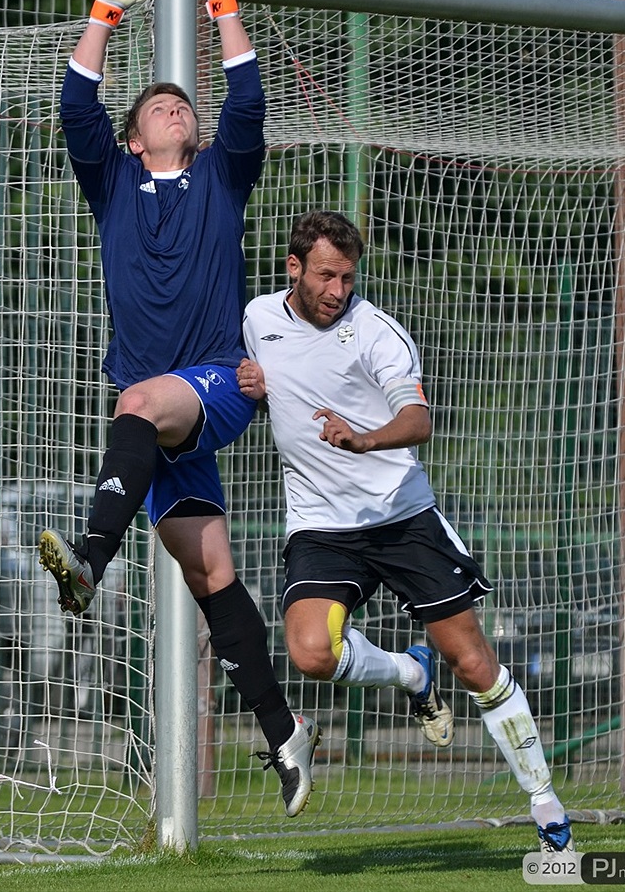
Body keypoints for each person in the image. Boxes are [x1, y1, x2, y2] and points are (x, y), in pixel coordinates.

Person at [38, 0, 319, 818]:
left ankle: (89, 561)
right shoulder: (113, 183)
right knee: (211, 574)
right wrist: (104, 12)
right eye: (158, 106)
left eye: (181, 105)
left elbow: (248, 101)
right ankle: (285, 731)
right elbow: (76, 105)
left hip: (211, 387)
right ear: (131, 140)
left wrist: (224, 4)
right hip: (157, 430)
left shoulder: (222, 177)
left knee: (137, 397)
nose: (174, 108)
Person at [237, 210, 575, 856]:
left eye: (347, 277)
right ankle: (408, 673)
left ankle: (545, 803)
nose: (337, 290)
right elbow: (265, 389)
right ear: (294, 268)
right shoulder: (258, 318)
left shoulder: (376, 332)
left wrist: (364, 439)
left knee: (473, 663)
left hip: (401, 517)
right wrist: (247, 386)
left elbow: (418, 419)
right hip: (322, 526)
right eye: (325, 275)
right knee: (311, 653)